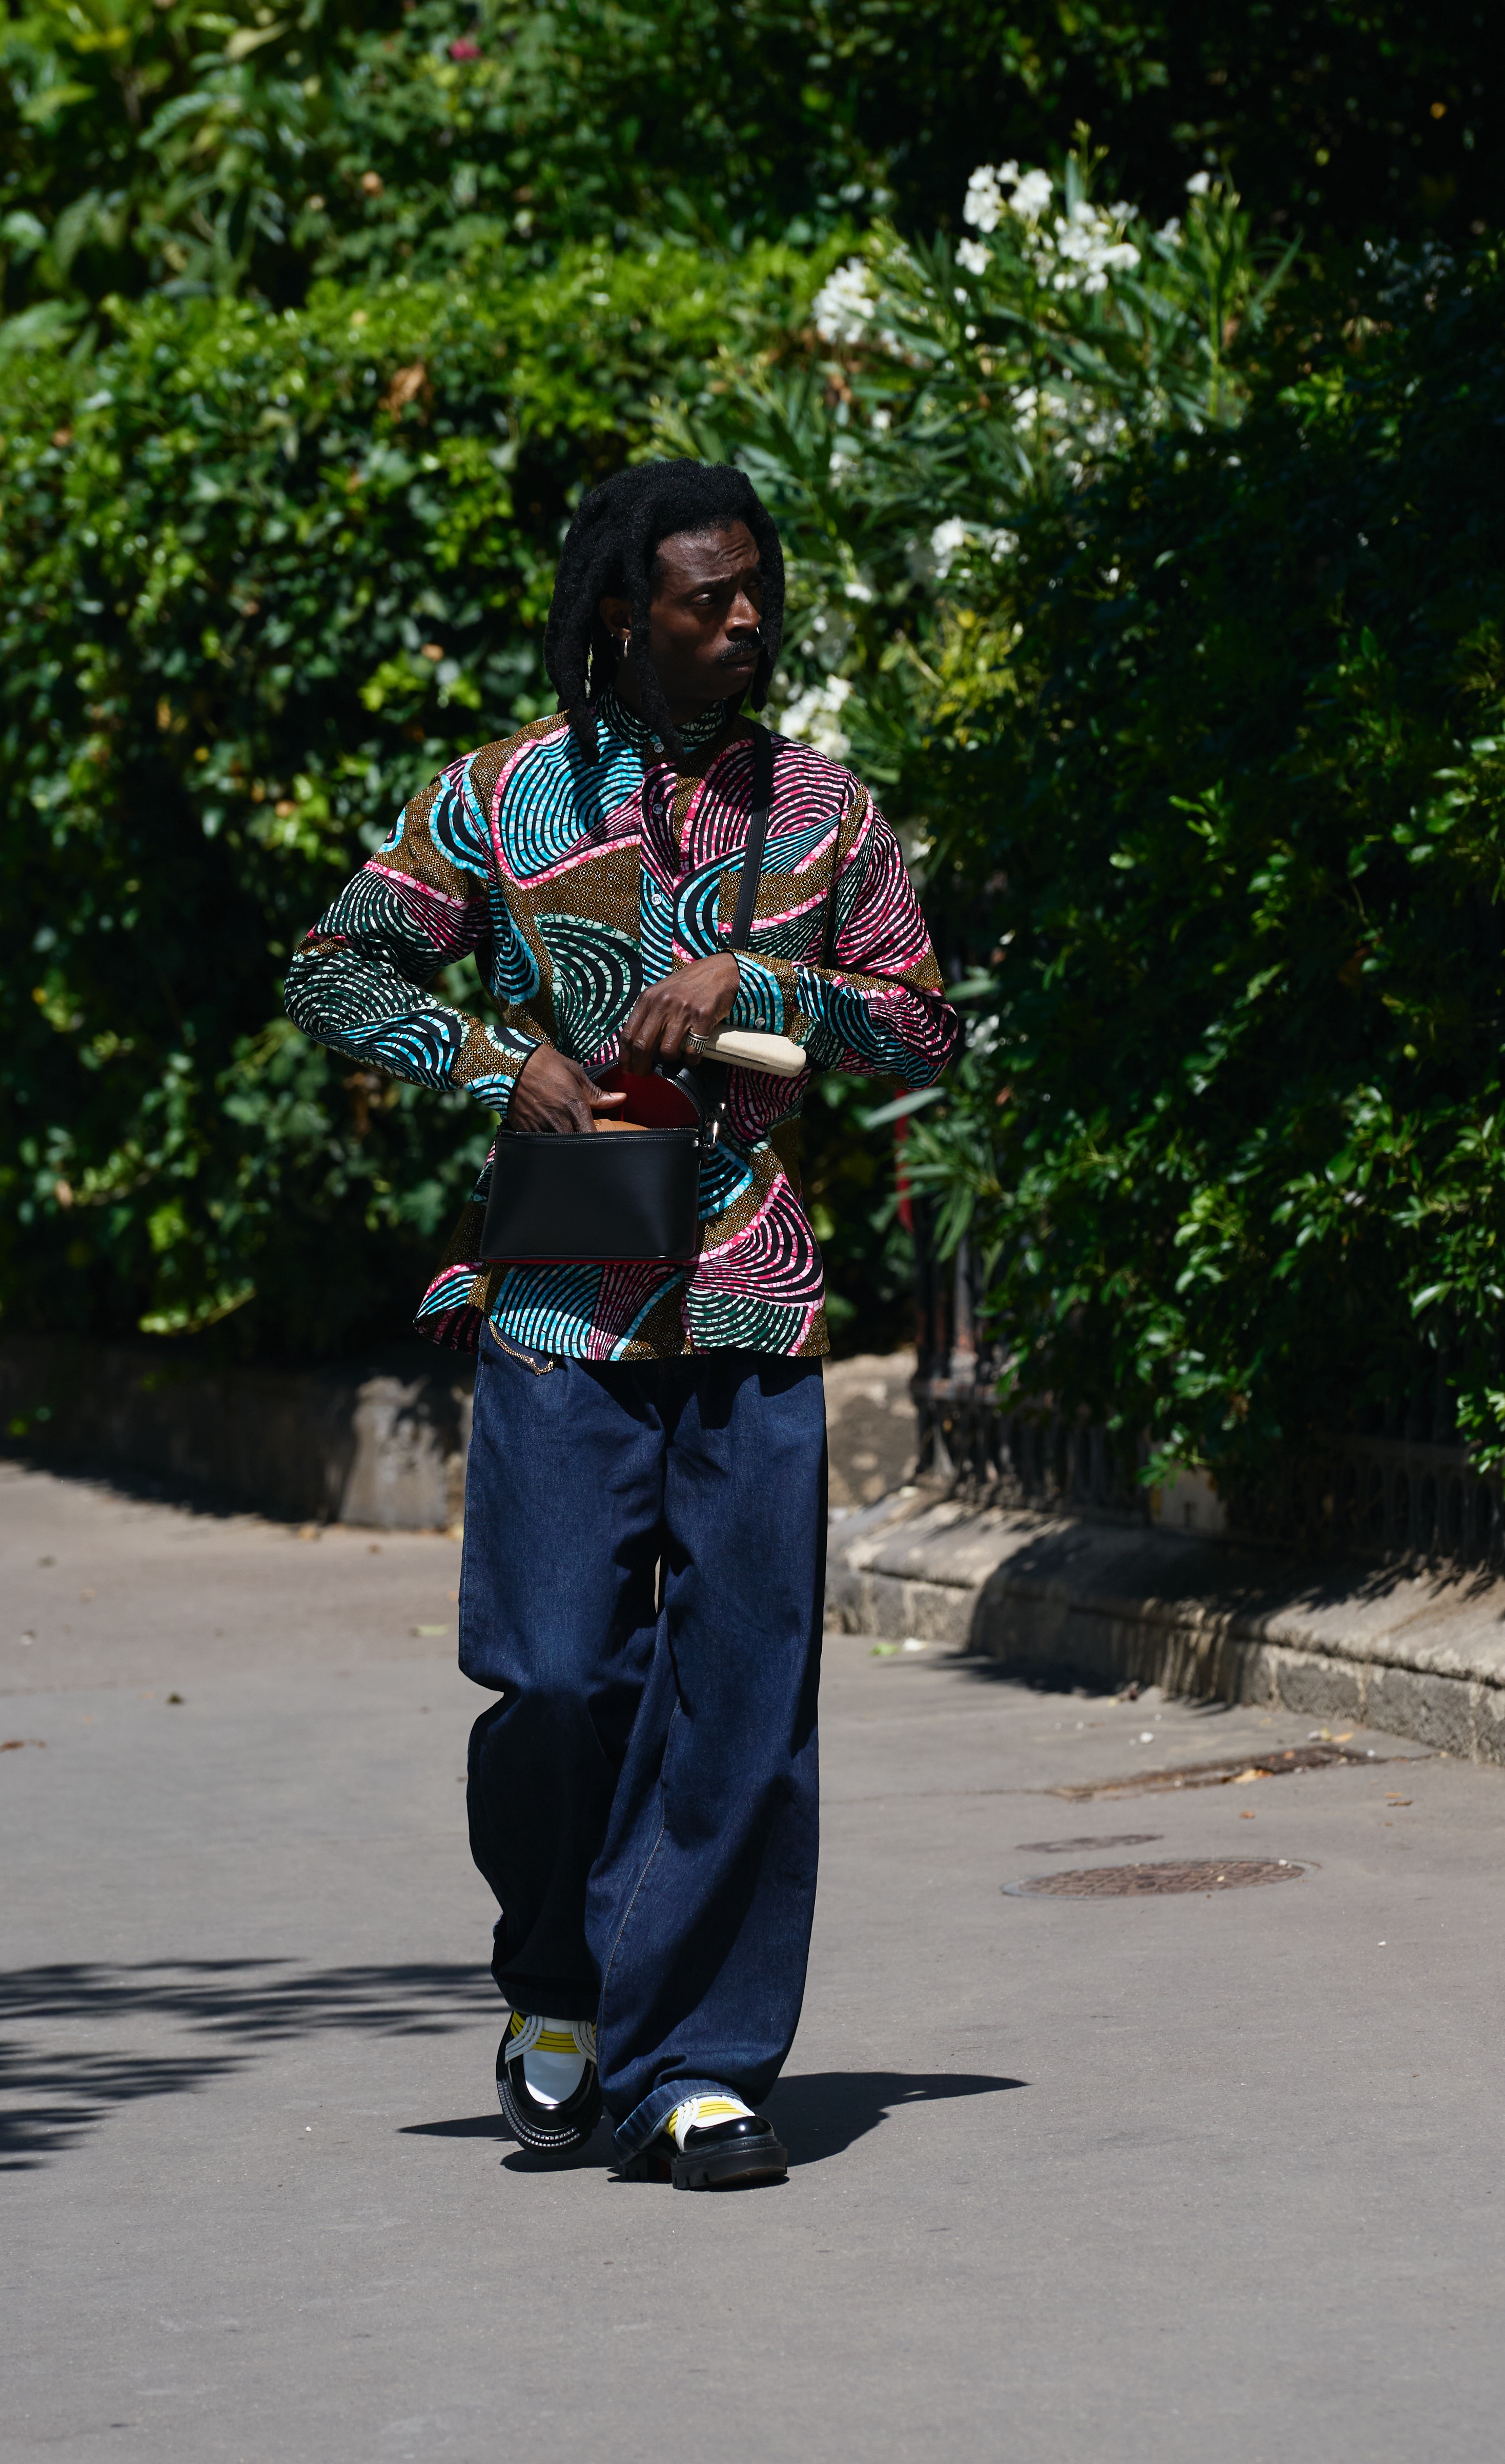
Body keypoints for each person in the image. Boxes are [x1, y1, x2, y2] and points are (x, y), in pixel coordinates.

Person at [283, 458, 957, 2189]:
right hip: (559, 1296)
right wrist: (498, 1064)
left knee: (743, 1689)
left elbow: (923, 1027)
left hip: (749, 1290)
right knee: (558, 1677)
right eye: (707, 598)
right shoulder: (501, 795)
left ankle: (697, 2065)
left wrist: (763, 982)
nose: (747, 621)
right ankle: (559, 1981)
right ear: (620, 613)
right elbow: (332, 967)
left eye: (758, 592)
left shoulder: (824, 809)